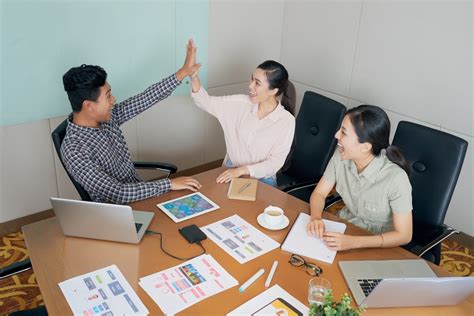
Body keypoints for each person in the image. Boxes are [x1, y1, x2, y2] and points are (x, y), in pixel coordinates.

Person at [61, 40, 202, 204]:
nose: (113, 100)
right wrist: (169, 184)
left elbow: (145, 98)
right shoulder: (74, 149)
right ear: (89, 106)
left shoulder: (107, 118)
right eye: (108, 96)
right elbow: (117, 193)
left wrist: (183, 72)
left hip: (142, 198)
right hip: (119, 214)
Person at [307, 105, 413, 251]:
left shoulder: (396, 179)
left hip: (378, 244)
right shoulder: (341, 155)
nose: (336, 135)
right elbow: (319, 194)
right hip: (345, 228)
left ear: (365, 147)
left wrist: (354, 242)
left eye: (343, 132)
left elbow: (404, 235)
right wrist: (316, 218)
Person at [190, 55, 295, 186]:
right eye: (252, 79)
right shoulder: (239, 103)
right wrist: (193, 77)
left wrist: (243, 170)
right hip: (230, 171)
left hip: (262, 180)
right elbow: (206, 102)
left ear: (274, 90)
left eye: (257, 83)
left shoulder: (286, 121)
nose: (250, 85)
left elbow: (275, 163)